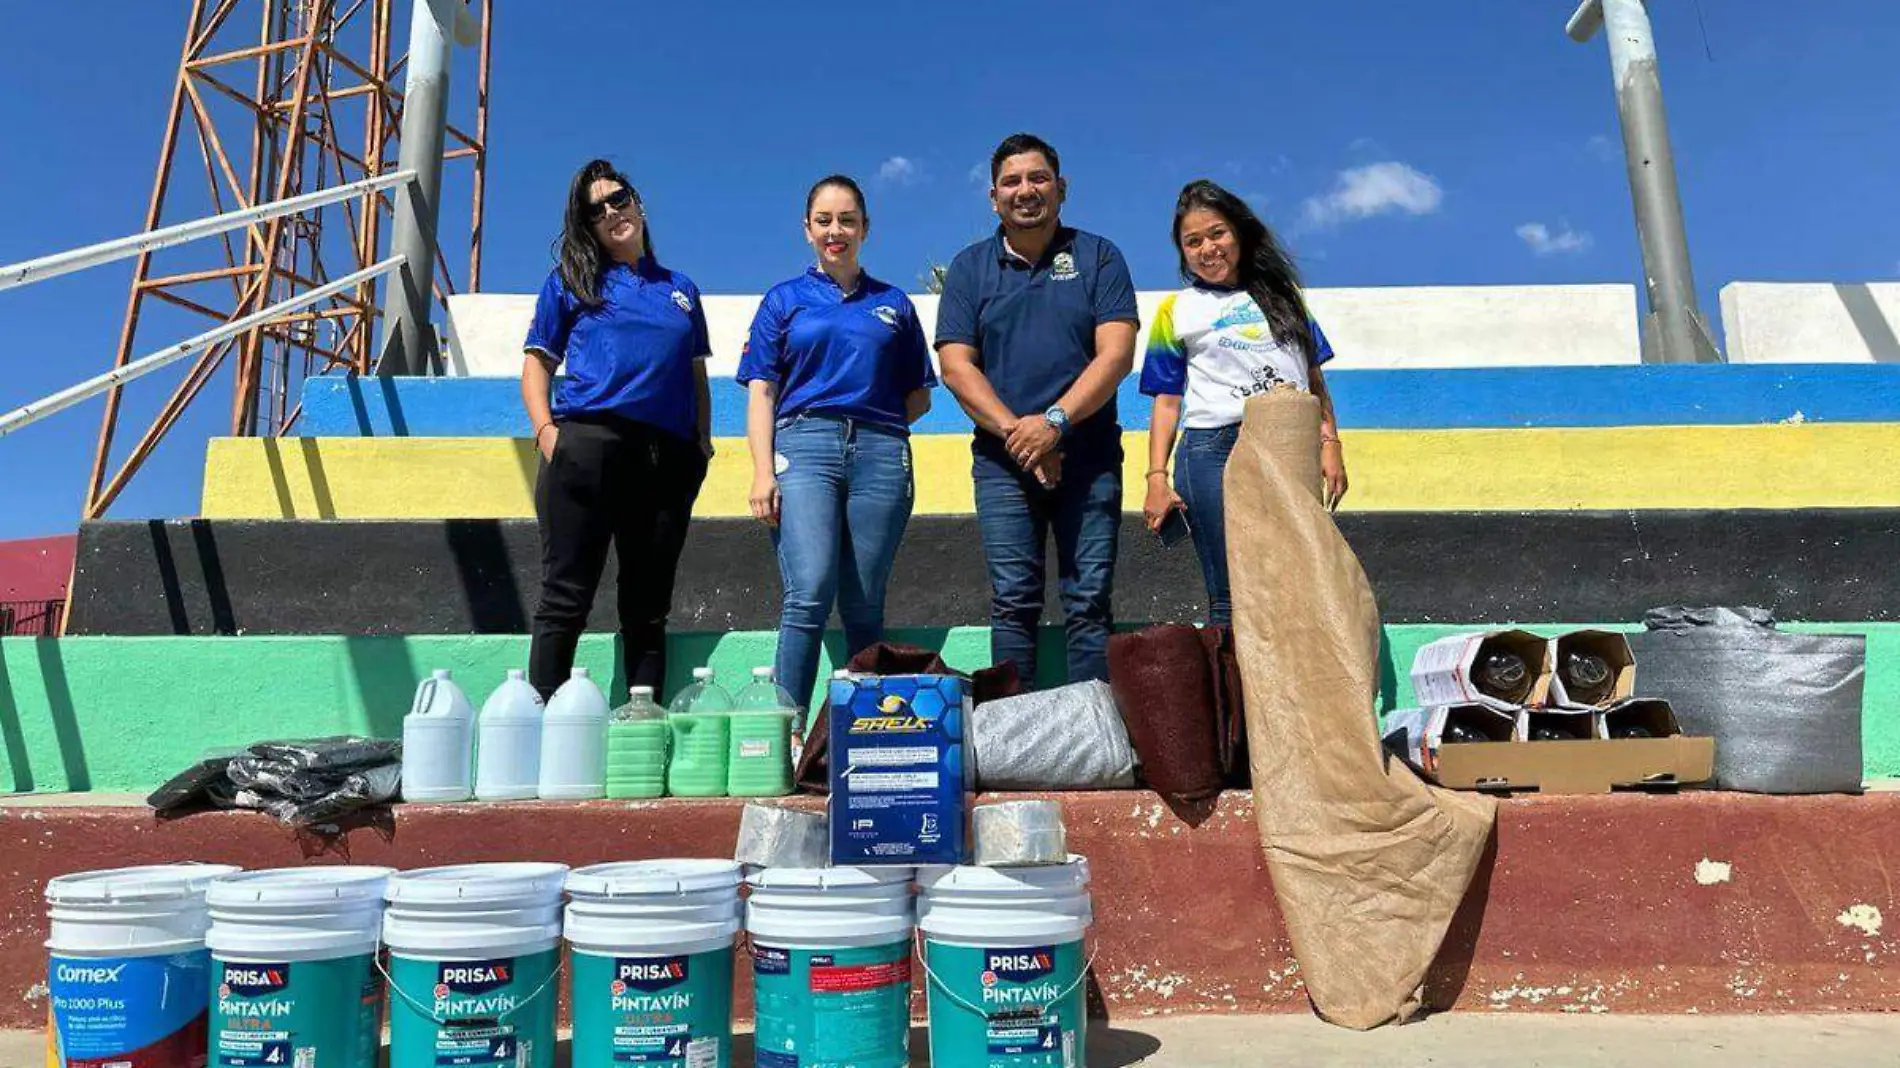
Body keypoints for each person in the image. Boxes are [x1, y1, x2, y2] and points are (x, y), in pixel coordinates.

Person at [936, 133, 1140, 686]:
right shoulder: (968, 269)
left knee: (1089, 601)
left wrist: (1056, 424)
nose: (1025, 190)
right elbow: (956, 368)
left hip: (1090, 458)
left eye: (1037, 178)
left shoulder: (1101, 257)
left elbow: (1116, 354)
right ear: (993, 196)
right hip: (1003, 464)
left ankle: (1092, 739)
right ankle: (1011, 742)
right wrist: (1021, 437)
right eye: (1011, 181)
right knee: (1013, 600)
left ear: (1061, 187)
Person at [738, 175, 937, 715]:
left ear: (865, 229)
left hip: (881, 453)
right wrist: (763, 470)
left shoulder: (894, 304)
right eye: (824, 220)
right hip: (803, 448)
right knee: (808, 592)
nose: (836, 230)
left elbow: (919, 396)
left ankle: (864, 733)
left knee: (865, 604)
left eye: (847, 220)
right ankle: (789, 731)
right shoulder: (783, 301)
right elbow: (761, 392)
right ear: (807, 230)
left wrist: (872, 421)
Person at [520, 159, 715, 700]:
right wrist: (547, 433)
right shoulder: (570, 282)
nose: (612, 212)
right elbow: (537, 365)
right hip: (588, 447)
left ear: (638, 203)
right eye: (596, 209)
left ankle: (642, 731)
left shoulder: (681, 290)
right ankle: (542, 729)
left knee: (648, 607)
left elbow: (695, 374)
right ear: (587, 225)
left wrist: (701, 445)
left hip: (666, 458)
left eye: (619, 198)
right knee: (565, 598)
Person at [1141, 179, 1348, 626]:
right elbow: (1166, 401)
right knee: (1232, 594)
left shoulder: (1285, 300)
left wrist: (1330, 443)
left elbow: (1313, 379)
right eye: (1192, 241)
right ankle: (1235, 696)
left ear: (1239, 232)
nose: (1207, 248)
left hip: (1289, 447)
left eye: (1217, 233)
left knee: (1295, 582)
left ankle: (1289, 695)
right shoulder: (1175, 311)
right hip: (1212, 452)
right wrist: (1156, 477)